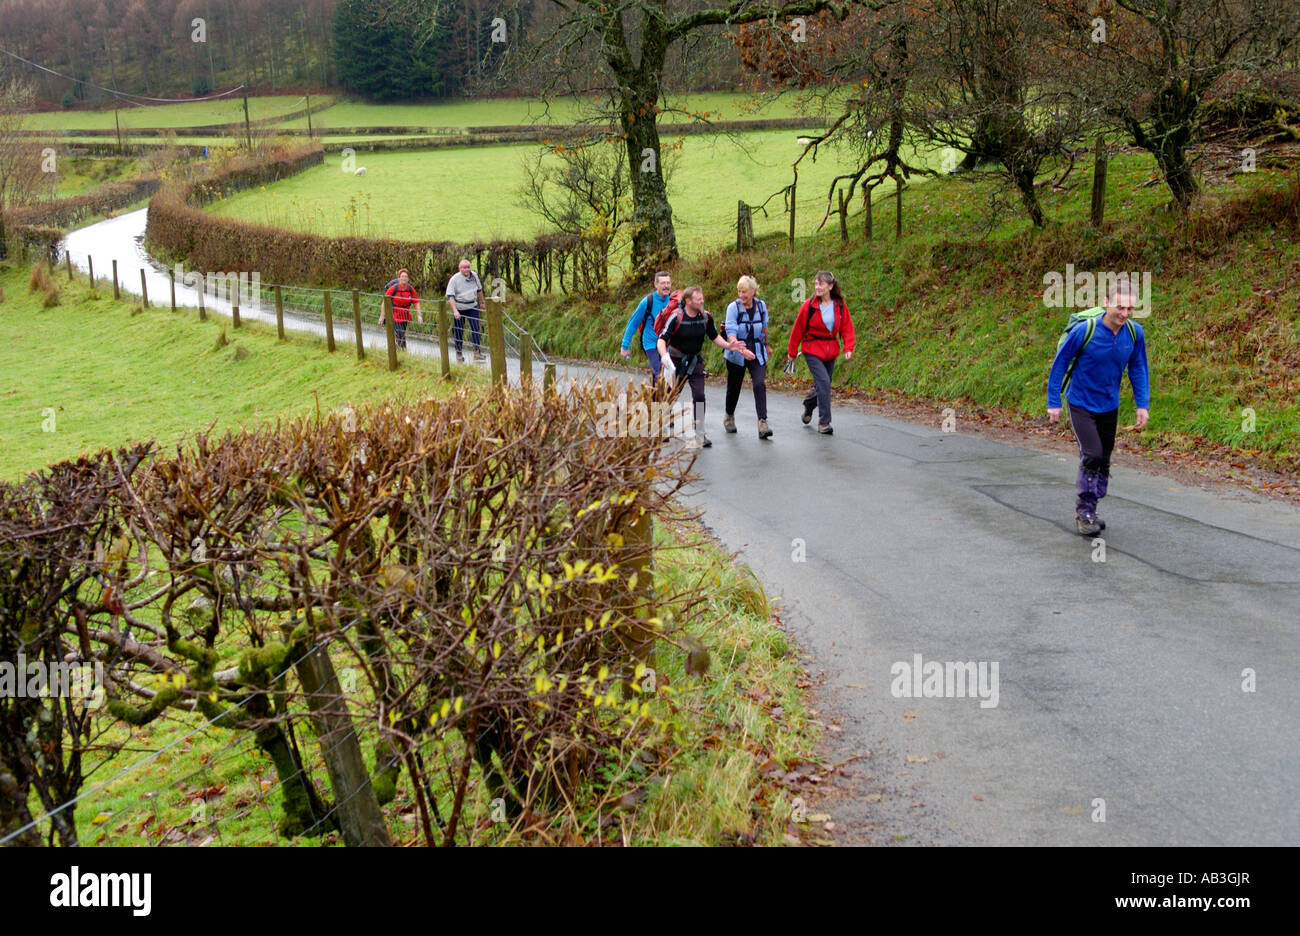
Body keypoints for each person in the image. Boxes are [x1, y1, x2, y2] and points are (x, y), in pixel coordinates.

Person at [1047, 281, 1150, 536]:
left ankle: (1092, 508)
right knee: (1092, 454)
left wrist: (1142, 405)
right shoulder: (1085, 331)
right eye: (1120, 307)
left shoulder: (1134, 333)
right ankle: (1084, 512)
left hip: (1109, 404)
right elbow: (1059, 365)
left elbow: (1138, 368)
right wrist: (1054, 402)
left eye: (1129, 308)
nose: (1124, 313)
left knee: (1103, 458)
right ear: (1106, 302)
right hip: (1081, 401)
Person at [657, 286, 753, 449]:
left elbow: (714, 336)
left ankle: (700, 433)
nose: (702, 301)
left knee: (700, 395)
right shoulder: (676, 317)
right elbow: (662, 339)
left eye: (702, 298)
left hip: (695, 361)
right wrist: (664, 356)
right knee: (669, 396)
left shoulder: (706, 317)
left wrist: (730, 346)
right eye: (698, 299)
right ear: (688, 301)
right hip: (674, 361)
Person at [786, 271, 854, 436]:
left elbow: (846, 327)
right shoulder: (808, 306)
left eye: (821, 284)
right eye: (816, 284)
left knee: (823, 385)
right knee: (824, 382)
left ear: (830, 286)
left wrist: (848, 347)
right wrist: (792, 352)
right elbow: (798, 329)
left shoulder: (839, 305)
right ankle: (824, 422)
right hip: (812, 349)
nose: (817, 287)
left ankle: (809, 405)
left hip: (831, 350)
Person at [722, 275, 772, 439]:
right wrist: (742, 351)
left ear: (753, 291)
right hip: (737, 350)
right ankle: (729, 416)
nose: (741, 295)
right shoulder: (733, 308)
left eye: (745, 292)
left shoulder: (761, 306)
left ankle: (762, 422)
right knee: (734, 386)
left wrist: (767, 345)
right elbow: (731, 332)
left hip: (757, 349)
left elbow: (764, 327)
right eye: (739, 291)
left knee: (759, 383)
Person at [620, 270, 673, 382]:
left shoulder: (674, 301)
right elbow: (633, 324)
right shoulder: (647, 302)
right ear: (656, 285)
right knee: (658, 372)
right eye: (663, 283)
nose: (666, 286)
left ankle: (660, 398)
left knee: (670, 373)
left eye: (668, 283)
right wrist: (625, 346)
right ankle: (656, 399)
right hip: (651, 343)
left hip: (668, 343)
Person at [445, 259, 485, 362]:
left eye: (468, 267)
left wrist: (482, 302)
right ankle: (459, 352)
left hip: (472, 306)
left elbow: (479, 290)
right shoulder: (454, 279)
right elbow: (450, 296)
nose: (467, 269)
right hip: (460, 307)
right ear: (460, 269)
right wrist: (455, 311)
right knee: (459, 331)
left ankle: (477, 352)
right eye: (464, 267)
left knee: (476, 328)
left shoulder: (474, 276)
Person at [380, 268, 422, 350]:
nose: (404, 278)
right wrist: (382, 316)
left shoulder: (410, 289)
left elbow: (416, 302)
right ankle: (403, 350)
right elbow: (384, 302)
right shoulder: (393, 288)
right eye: (402, 276)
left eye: (406, 277)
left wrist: (419, 315)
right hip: (394, 314)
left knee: (402, 333)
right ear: (399, 278)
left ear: (408, 279)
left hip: (405, 315)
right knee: (400, 333)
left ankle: (397, 348)